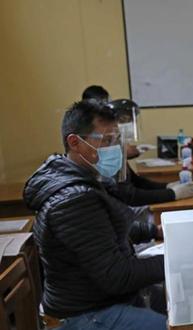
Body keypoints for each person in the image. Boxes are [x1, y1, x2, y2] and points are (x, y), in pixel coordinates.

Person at [23, 100, 166, 330]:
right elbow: (117, 276)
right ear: (75, 142)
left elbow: (105, 228)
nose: (115, 148)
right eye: (107, 141)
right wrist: (172, 259)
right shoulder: (73, 199)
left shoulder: (83, 177)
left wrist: (153, 230)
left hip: (101, 298)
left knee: (178, 303)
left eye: (117, 140)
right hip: (85, 313)